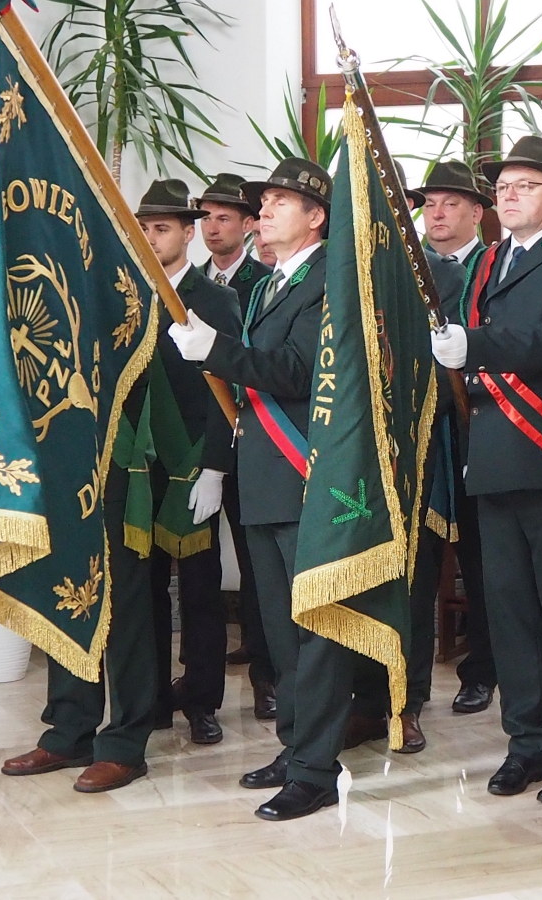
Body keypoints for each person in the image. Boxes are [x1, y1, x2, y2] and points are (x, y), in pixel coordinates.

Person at [430, 135, 542, 805]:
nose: (508, 195)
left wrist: (474, 344)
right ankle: (526, 743)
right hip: (493, 459)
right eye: (502, 187)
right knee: (509, 618)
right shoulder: (486, 264)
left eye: (524, 186)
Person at [169, 158, 351, 822]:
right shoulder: (272, 284)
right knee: (279, 630)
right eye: (264, 201)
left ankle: (317, 769)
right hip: (266, 478)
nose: (264, 211)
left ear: (316, 215)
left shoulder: (331, 280)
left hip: (308, 477)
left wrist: (215, 349)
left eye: (280, 201)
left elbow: (299, 372)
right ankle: (295, 747)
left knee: (315, 629)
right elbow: (250, 392)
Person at [346, 167, 467, 754]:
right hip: (348, 452)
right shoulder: (342, 271)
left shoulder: (443, 274)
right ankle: (359, 702)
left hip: (413, 448)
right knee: (354, 574)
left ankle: (406, 702)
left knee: (412, 582)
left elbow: (451, 367)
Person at [0, 393, 157, 794]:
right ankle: (70, 729)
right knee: (68, 593)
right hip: (61, 448)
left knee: (122, 603)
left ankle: (125, 743)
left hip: (116, 445)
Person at [135, 180, 241, 745]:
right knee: (144, 586)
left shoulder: (215, 299)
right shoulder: (129, 294)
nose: (151, 239)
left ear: (187, 233)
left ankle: (202, 701)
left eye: (162, 229)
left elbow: (227, 390)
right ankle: (152, 699)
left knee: (201, 590)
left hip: (194, 462)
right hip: (139, 464)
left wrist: (215, 468)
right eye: (144, 229)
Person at [413, 159, 498, 715]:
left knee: (485, 561)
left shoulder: (495, 266)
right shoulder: (407, 268)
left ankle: (483, 668)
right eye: (429, 204)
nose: (437, 213)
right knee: (417, 567)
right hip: (422, 437)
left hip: (480, 430)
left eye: (451, 203)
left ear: (477, 212)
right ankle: (409, 687)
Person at [196, 173, 276, 721]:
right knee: (202, 565)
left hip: (253, 435)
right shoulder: (191, 281)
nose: (212, 227)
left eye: (224, 217)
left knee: (258, 564)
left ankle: (267, 675)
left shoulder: (262, 282)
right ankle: (204, 680)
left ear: (249, 225)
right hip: (200, 439)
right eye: (205, 217)